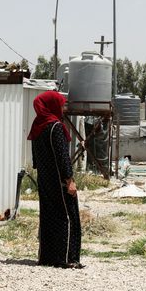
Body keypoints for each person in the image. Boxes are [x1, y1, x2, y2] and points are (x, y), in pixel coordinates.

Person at [28, 91, 83, 268]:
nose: (63, 108)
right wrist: (69, 180)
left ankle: (48, 257)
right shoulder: (55, 127)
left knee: (48, 216)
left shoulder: (37, 127)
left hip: (45, 180)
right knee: (68, 216)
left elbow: (36, 160)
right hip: (59, 181)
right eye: (61, 104)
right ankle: (67, 257)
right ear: (51, 105)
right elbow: (62, 157)